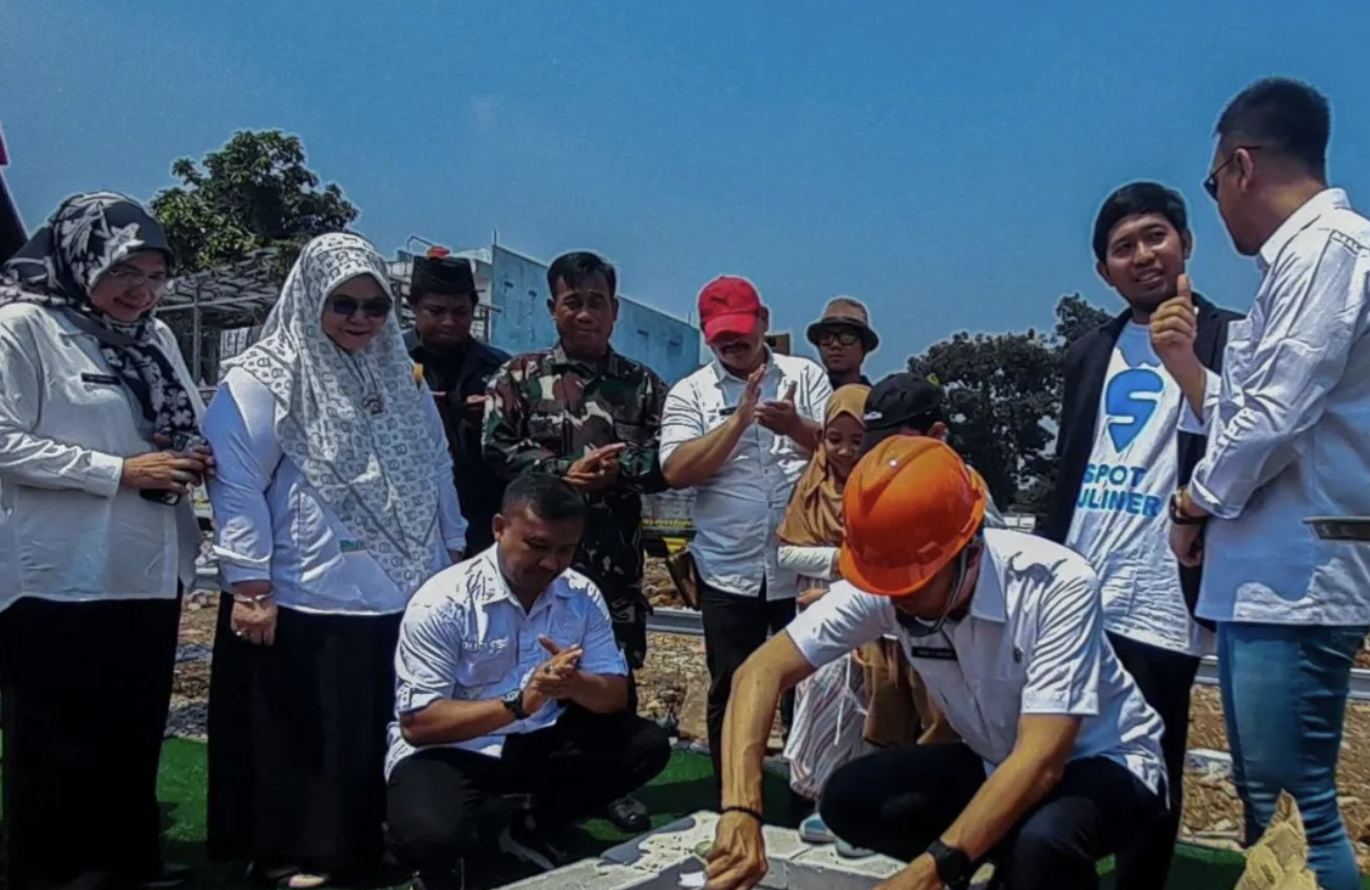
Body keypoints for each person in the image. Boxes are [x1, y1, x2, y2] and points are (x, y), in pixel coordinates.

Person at [704, 437, 1167, 890]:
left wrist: (928, 871)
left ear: (968, 552)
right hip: (996, 759)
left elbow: (1043, 760)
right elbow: (759, 673)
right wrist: (741, 811)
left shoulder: (1056, 584)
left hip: (1106, 763)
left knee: (1044, 842)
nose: (898, 603)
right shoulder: (891, 582)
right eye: (888, 586)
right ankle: (994, 869)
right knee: (850, 798)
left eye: (913, 587)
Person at [203, 233, 468, 889]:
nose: (359, 320)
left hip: (398, 589)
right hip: (302, 591)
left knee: (367, 725)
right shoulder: (265, 377)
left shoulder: (397, 376)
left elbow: (437, 467)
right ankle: (287, 852)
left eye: (375, 308)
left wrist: (453, 550)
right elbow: (236, 481)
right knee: (300, 728)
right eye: (343, 303)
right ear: (309, 297)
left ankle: (359, 844)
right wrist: (250, 583)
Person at [1167, 77, 1370, 890]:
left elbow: (1276, 417)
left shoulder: (1330, 250)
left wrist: (1193, 500)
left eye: (1211, 184)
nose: (1217, 205)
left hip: (1298, 576)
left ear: (1241, 166)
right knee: (1268, 810)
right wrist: (1186, 367)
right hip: (1265, 573)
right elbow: (1252, 411)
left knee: (1298, 813)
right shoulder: (1296, 263)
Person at [0, 193, 208, 890]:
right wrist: (116, 472)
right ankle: (49, 872)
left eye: (155, 276)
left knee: (132, 727)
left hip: (147, 566)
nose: (141, 291)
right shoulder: (23, 326)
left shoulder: (157, 337)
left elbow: (186, 418)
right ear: (82, 258)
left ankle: (129, 863)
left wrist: (191, 454)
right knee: (56, 733)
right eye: (125, 272)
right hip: (56, 571)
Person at [1040, 182, 1241, 890]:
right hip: (1080, 583)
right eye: (1123, 248)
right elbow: (1067, 464)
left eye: (1155, 237)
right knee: (1055, 744)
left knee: (1152, 762)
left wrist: (1187, 358)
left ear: (1186, 242)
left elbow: (1248, 444)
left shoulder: (1230, 337)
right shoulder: (1087, 352)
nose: (1142, 256)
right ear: (1103, 271)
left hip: (1163, 591)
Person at [385, 474, 672, 890]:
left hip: (539, 736)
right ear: (499, 528)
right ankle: (460, 848)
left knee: (645, 745)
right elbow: (418, 725)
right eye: (537, 546)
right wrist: (519, 703)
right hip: (454, 748)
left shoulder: (581, 592)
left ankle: (531, 823)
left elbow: (614, 695)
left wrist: (573, 685)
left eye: (565, 550)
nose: (552, 564)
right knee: (427, 834)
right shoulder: (442, 601)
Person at [482, 250, 667, 832]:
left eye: (597, 303)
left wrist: (622, 469)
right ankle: (525, 788)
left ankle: (610, 787)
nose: (585, 314)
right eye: (573, 302)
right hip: (540, 570)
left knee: (611, 678)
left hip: (612, 564)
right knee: (528, 670)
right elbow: (493, 446)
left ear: (614, 311)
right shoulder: (517, 376)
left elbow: (672, 456)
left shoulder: (642, 384)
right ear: (552, 308)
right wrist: (562, 472)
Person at [659, 275, 831, 796]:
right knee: (731, 685)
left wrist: (795, 427)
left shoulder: (806, 375)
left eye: (740, 331)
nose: (733, 344)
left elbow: (841, 450)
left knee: (804, 686)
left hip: (799, 566)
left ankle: (807, 790)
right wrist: (737, 422)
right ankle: (731, 790)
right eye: (720, 337)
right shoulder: (690, 392)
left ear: (764, 321)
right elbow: (677, 470)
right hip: (727, 567)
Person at [774, 384, 871, 838]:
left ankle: (857, 808)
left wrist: (851, 579)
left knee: (868, 708)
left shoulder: (881, 484)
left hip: (874, 612)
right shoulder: (812, 483)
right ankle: (817, 802)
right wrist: (844, 563)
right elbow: (787, 554)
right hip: (819, 614)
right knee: (821, 704)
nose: (846, 451)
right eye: (835, 439)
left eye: (858, 439)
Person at [406, 252, 509, 554]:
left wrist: (494, 417)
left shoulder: (500, 367)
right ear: (414, 307)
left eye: (460, 312)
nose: (449, 322)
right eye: (436, 311)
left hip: (480, 515)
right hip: (411, 515)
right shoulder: (391, 362)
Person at [804, 297, 877, 389]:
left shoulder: (877, 401)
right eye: (826, 337)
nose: (835, 345)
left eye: (847, 337)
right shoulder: (805, 398)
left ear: (864, 347)